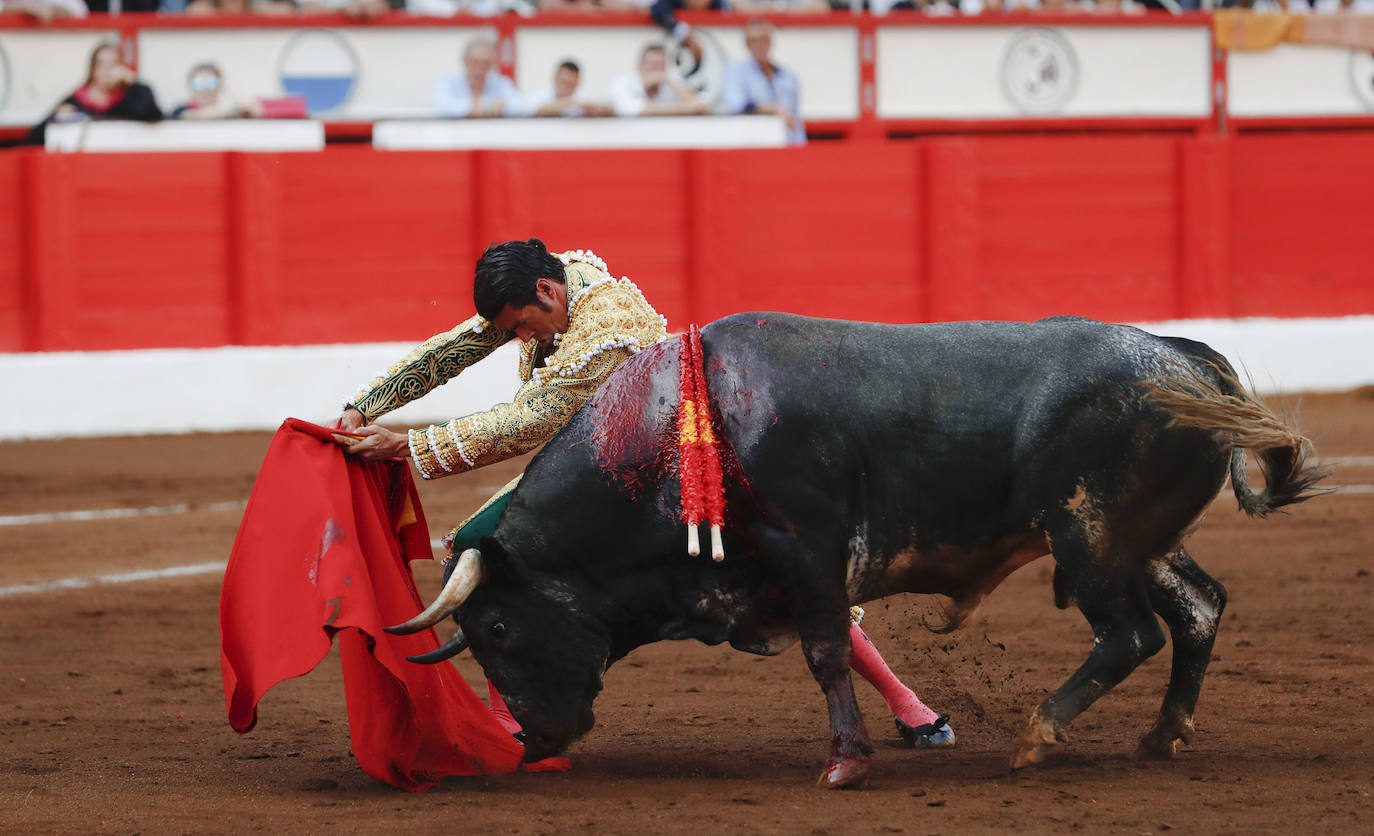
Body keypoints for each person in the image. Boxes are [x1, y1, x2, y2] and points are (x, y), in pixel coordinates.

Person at [335, 239, 955, 749]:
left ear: (547, 295)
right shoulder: (557, 283)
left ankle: (907, 701)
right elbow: (462, 345)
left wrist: (410, 447)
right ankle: (511, 720)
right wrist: (367, 406)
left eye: (523, 327)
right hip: (591, 473)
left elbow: (529, 423)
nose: (521, 339)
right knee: (482, 546)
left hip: (658, 477)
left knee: (784, 570)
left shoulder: (608, 331)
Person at [27, 42, 162, 146]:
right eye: (101, 64)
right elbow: (35, 138)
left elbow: (153, 115)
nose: (107, 70)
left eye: (113, 64)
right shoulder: (77, 100)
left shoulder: (128, 98)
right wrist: (58, 119)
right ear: (92, 70)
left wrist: (132, 81)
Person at [720, 19, 805, 146]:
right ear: (747, 44)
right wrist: (771, 110)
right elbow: (736, 105)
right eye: (753, 41)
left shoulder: (788, 76)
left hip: (787, 144)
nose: (759, 45)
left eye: (763, 39)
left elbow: (795, 118)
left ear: (770, 42)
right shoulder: (736, 71)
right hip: (752, 144)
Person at [433, 37, 531, 119]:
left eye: (486, 63)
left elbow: (520, 106)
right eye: (475, 62)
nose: (480, 69)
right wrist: (486, 109)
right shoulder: (447, 82)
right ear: (465, 60)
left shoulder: (502, 83)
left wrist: (496, 109)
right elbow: (442, 108)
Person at [611, 43, 709, 118]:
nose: (655, 70)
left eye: (660, 65)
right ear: (640, 66)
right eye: (651, 64)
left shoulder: (671, 81)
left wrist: (669, 82)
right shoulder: (624, 83)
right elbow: (629, 110)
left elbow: (701, 104)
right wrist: (685, 109)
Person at [171, 63, 263, 120]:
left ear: (220, 86)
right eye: (199, 84)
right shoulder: (180, 110)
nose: (205, 89)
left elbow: (256, 111)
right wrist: (235, 110)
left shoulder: (228, 109)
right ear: (190, 86)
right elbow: (192, 116)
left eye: (212, 83)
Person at [529, 60, 615, 118]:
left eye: (570, 83)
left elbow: (611, 110)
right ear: (555, 78)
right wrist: (571, 102)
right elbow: (537, 112)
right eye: (563, 81)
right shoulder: (540, 95)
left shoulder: (584, 96)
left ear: (577, 81)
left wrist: (601, 111)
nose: (565, 86)